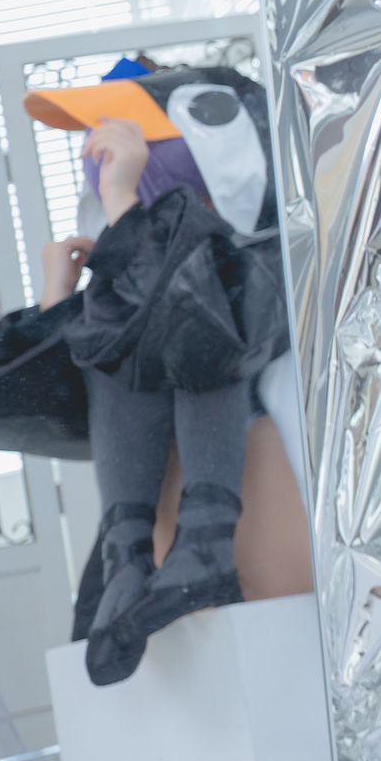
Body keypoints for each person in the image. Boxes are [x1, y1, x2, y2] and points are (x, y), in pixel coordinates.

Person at [28, 68, 302, 685]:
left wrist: (126, 207)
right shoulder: (130, 286)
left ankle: (187, 554)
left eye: (129, 143)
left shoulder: (268, 262)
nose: (103, 152)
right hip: (163, 549)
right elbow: (71, 410)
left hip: (257, 522)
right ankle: (133, 563)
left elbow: (192, 312)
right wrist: (59, 302)